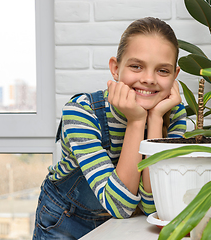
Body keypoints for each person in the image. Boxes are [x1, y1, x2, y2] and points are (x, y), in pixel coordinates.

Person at [33, 17, 187, 239]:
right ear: (115, 69)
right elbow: (120, 206)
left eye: (163, 71)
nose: (149, 79)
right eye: (136, 66)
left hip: (122, 228)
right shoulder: (82, 112)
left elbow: (156, 209)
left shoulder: (171, 114)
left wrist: (154, 120)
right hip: (65, 221)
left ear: (175, 76)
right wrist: (136, 121)